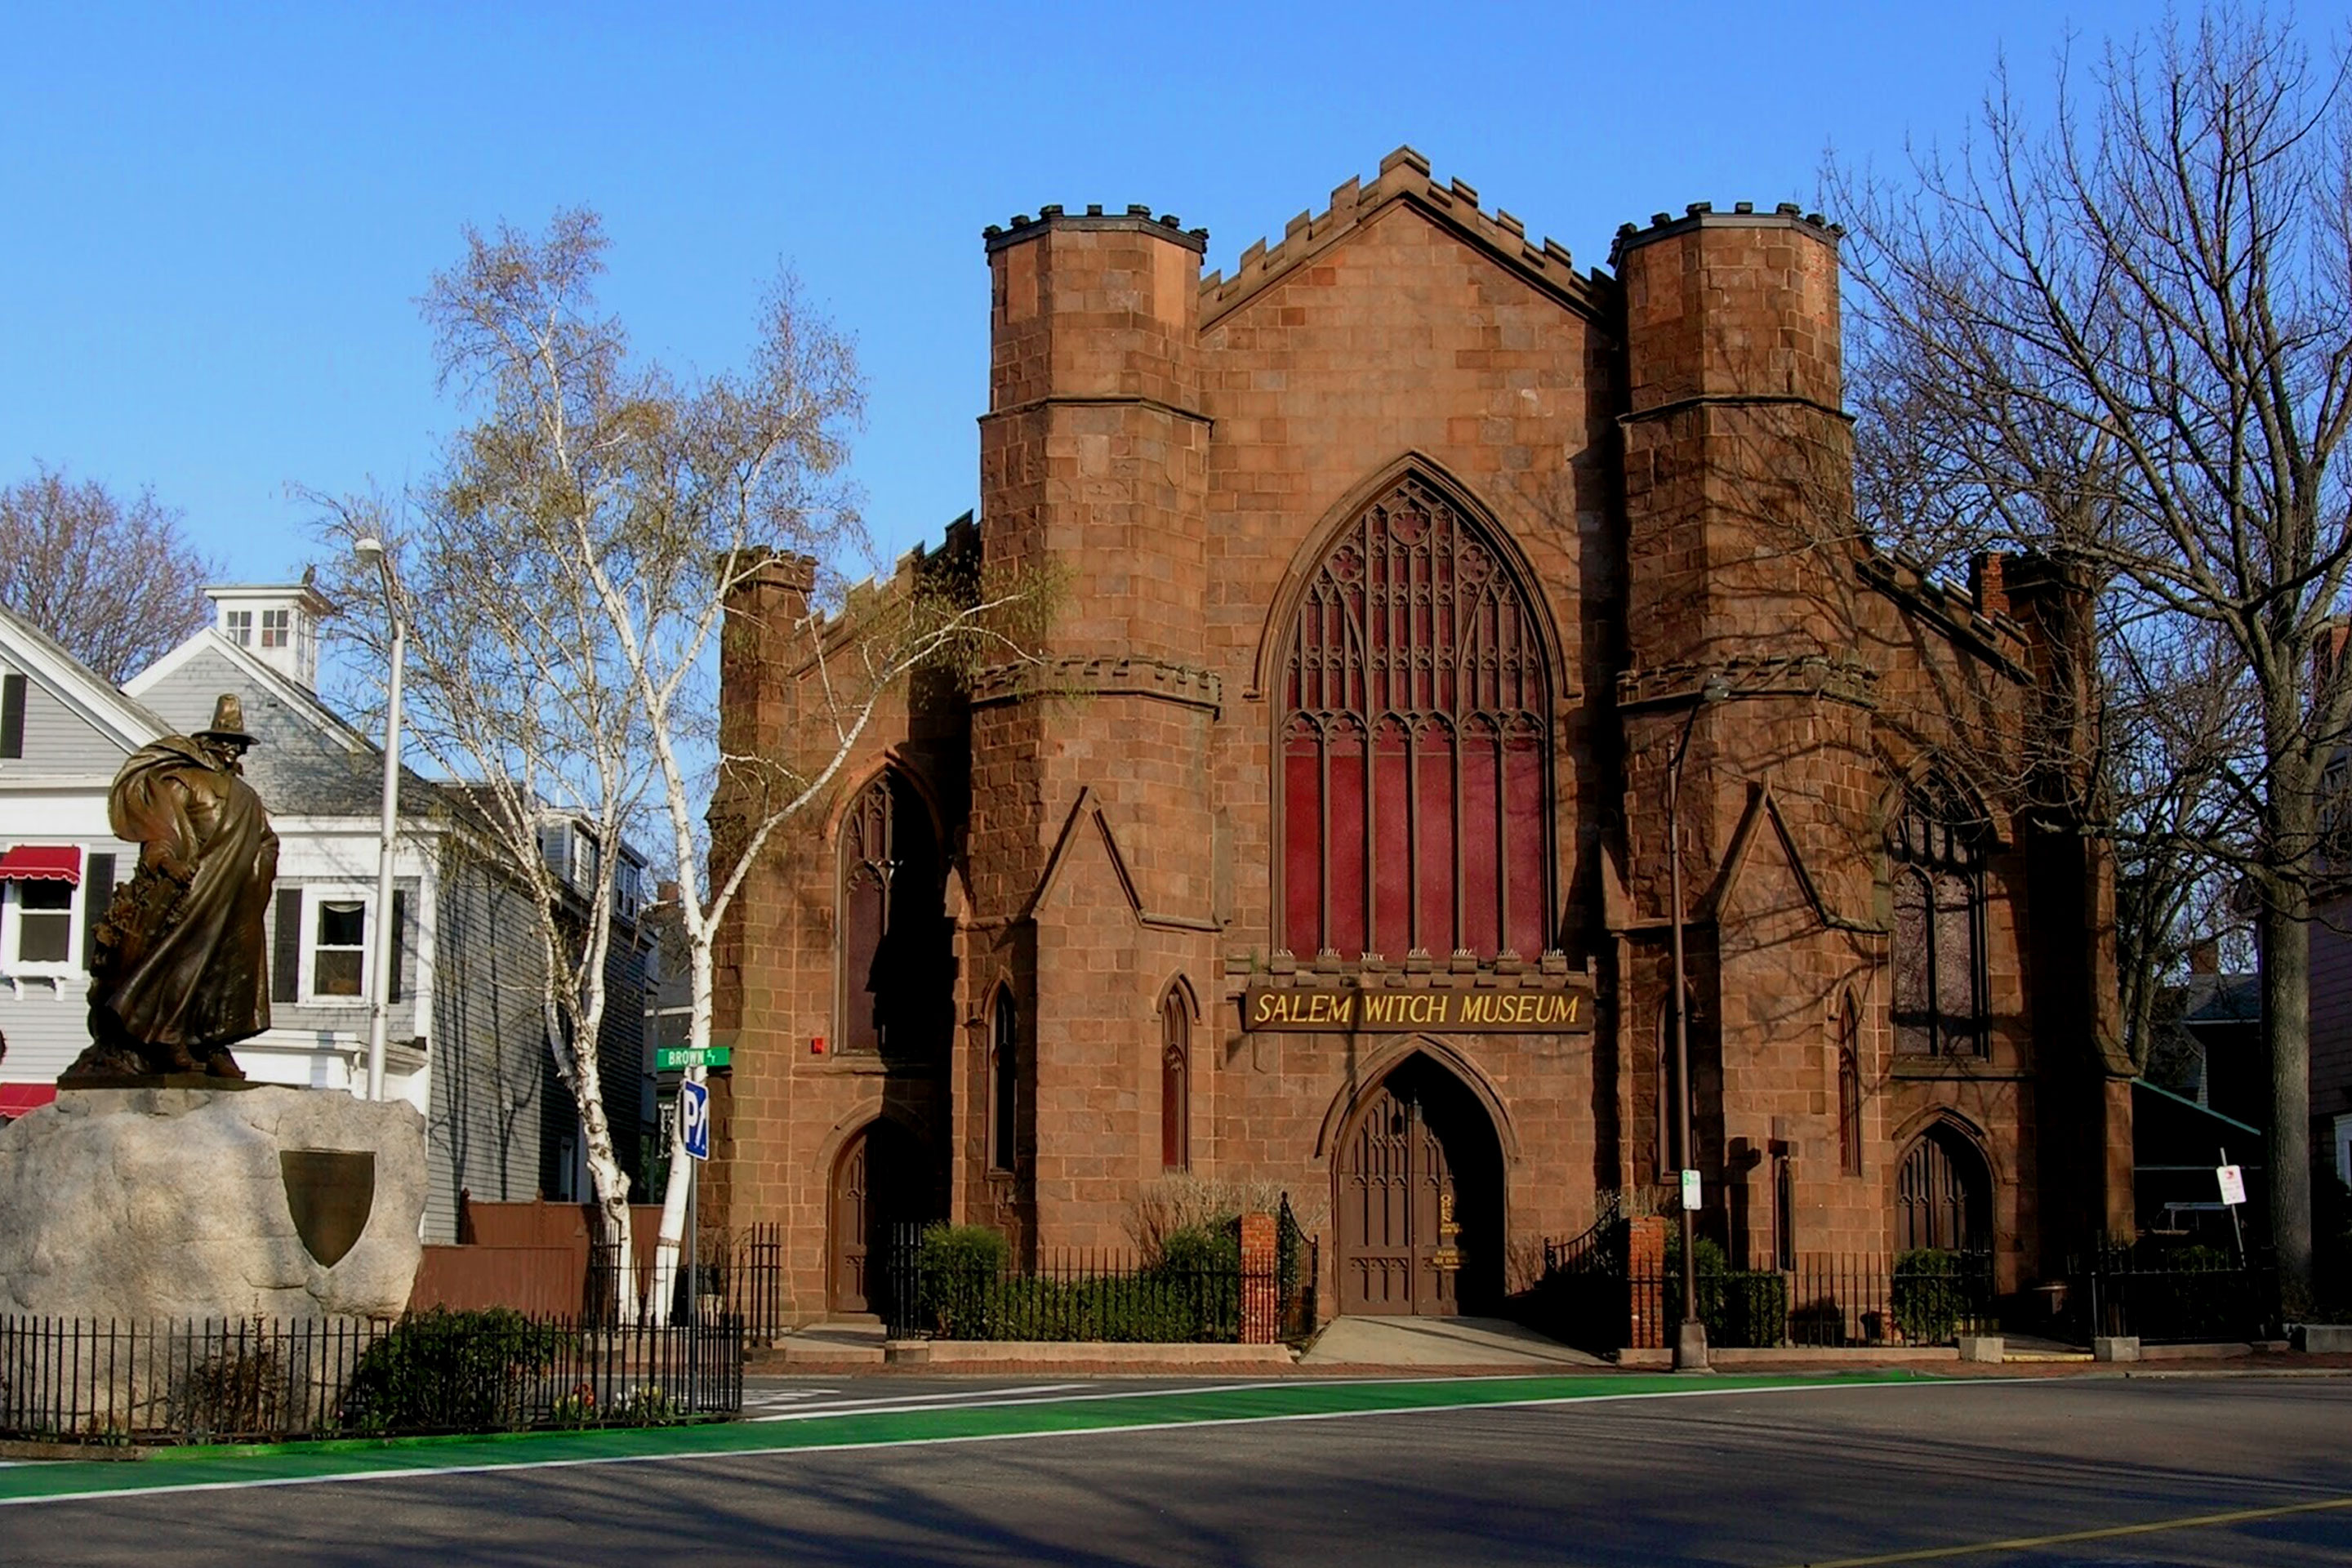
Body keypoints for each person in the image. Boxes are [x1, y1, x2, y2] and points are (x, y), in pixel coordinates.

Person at [66, 695, 279, 1081]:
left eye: (238, 744)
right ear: (208, 743)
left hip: (237, 897)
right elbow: (162, 831)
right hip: (196, 893)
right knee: (185, 962)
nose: (232, 750)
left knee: (228, 969)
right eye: (225, 742)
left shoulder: (249, 798)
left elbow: (267, 840)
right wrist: (169, 863)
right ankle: (165, 1034)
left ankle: (211, 1041)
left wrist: (257, 877)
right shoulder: (185, 783)